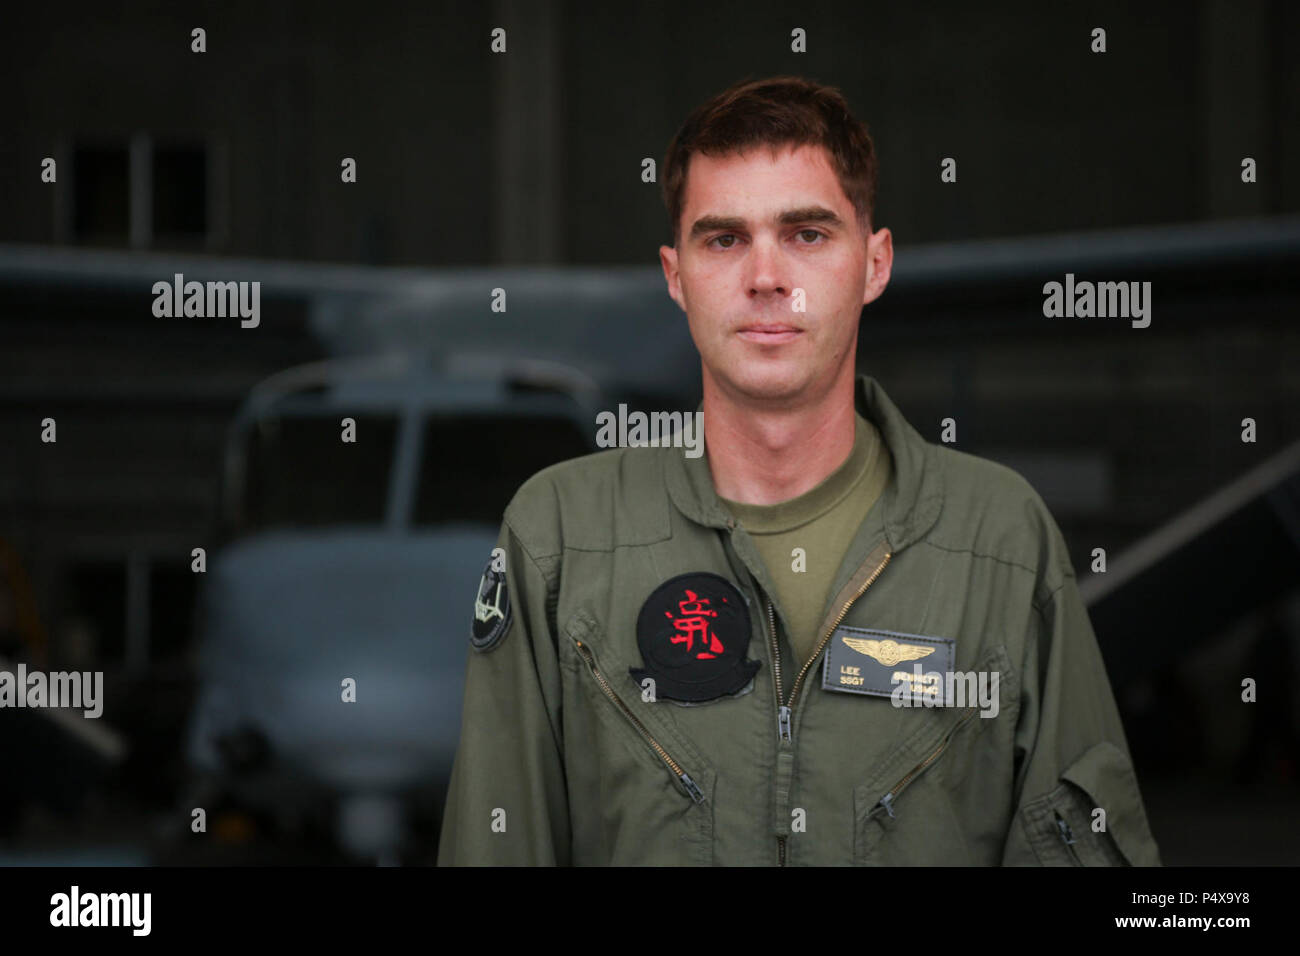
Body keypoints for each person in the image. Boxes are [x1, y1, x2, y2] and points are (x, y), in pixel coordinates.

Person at [438, 75, 1161, 866]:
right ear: (676, 275)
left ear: (875, 263)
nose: (766, 277)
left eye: (807, 234)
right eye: (724, 239)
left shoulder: (1000, 539)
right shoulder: (559, 538)